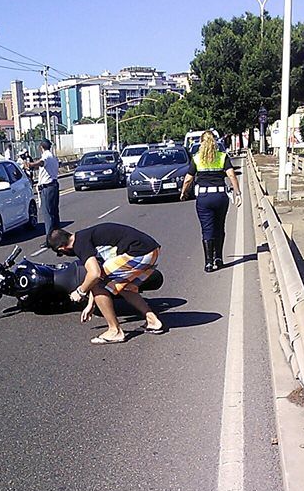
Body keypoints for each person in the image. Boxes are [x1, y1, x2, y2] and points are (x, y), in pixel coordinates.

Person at [47, 222, 165, 344]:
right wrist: (91, 305)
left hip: (139, 253)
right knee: (124, 287)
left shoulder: (80, 244)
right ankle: (152, 320)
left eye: (60, 253)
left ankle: (115, 331)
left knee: (98, 282)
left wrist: (80, 291)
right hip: (152, 250)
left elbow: (95, 275)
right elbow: (98, 274)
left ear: (62, 248)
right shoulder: (85, 237)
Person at [180, 130, 242, 272]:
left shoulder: (197, 158)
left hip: (204, 198)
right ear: (214, 142)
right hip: (220, 197)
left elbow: (189, 179)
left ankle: (208, 263)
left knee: (207, 229)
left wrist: (184, 192)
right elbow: (231, 175)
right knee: (219, 227)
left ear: (201, 143)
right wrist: (237, 192)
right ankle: (219, 258)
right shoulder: (222, 156)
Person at [26, 138, 61, 237]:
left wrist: (31, 164)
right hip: (53, 185)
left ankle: (50, 239)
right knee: (54, 213)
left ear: (41, 147)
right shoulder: (53, 156)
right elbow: (43, 166)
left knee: (48, 214)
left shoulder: (47, 156)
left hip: (47, 188)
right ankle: (57, 236)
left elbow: (41, 163)